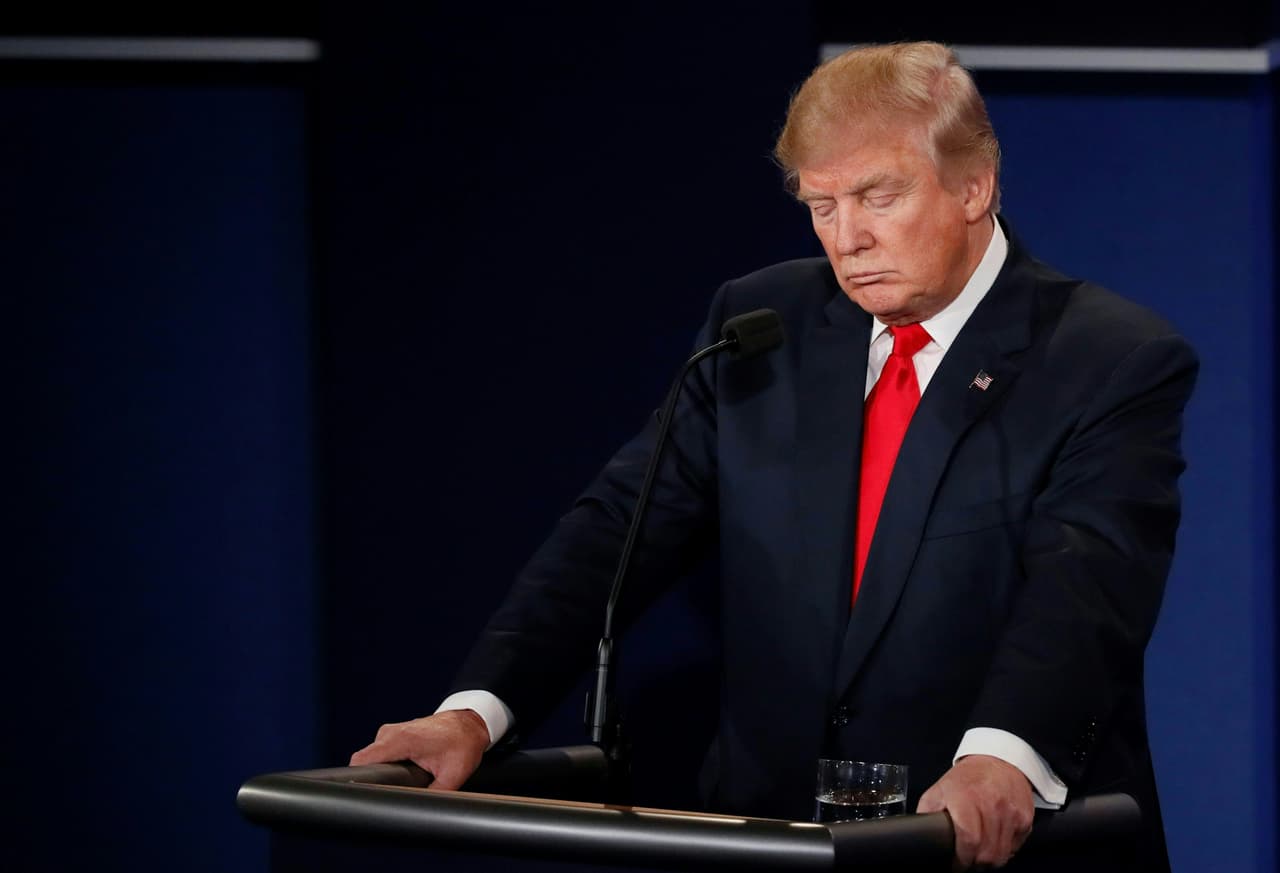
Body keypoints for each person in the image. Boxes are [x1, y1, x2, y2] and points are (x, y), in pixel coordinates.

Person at [352, 42, 1197, 871]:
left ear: (974, 186)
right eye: (821, 205)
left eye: (878, 196)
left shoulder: (1106, 357)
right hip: (773, 834)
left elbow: (1086, 589)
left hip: (984, 842)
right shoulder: (760, 326)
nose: (848, 238)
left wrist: (1003, 755)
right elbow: (615, 532)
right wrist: (474, 711)